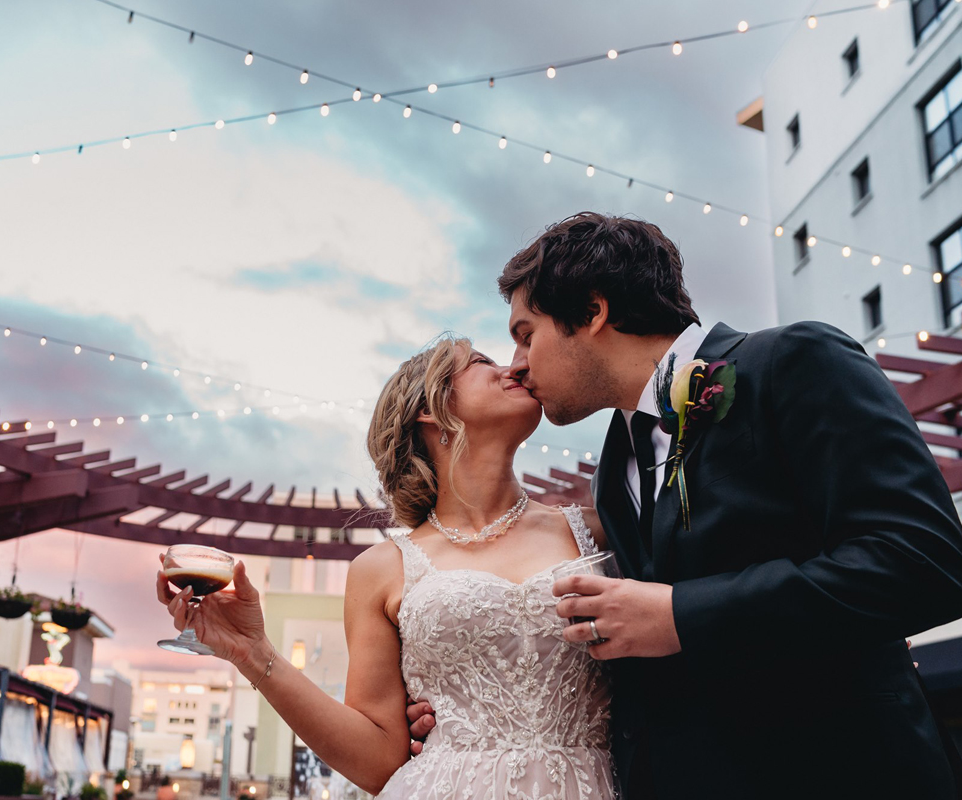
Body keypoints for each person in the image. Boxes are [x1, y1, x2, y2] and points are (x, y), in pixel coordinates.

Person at [408, 211, 962, 800]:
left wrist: (683, 615)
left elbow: (925, 562)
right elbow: (635, 641)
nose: (516, 362)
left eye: (526, 333)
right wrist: (467, 705)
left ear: (592, 312)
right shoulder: (612, 468)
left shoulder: (791, 362)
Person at [156, 335, 617, 798]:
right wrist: (251, 651)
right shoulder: (380, 570)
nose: (512, 369)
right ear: (430, 409)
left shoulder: (600, 532)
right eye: (480, 362)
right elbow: (377, 762)